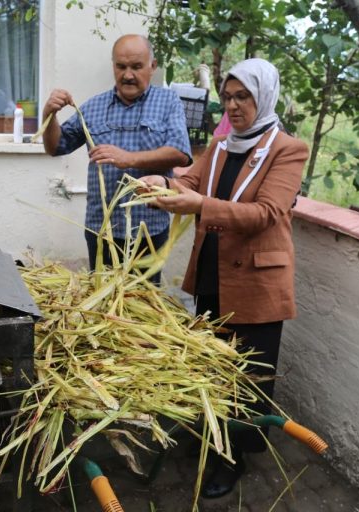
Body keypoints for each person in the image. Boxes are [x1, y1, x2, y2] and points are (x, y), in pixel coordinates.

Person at [141, 58, 308, 499]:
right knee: (214, 366)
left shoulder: (287, 149)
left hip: (256, 283)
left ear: (264, 97)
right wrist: (161, 183)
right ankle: (212, 436)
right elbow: (189, 182)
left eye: (243, 97)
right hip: (215, 273)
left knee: (247, 376)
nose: (232, 106)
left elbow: (267, 213)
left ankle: (233, 459)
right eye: (227, 97)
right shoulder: (221, 146)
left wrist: (198, 205)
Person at [41, 34, 192, 281]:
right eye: (121, 67)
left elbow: (181, 153)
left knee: (144, 306)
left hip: (149, 228)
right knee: (102, 301)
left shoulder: (168, 102)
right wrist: (49, 115)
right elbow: (56, 146)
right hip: (102, 228)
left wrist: (129, 158)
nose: (128, 75)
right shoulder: (94, 106)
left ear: (152, 67)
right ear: (113, 66)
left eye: (136, 66)